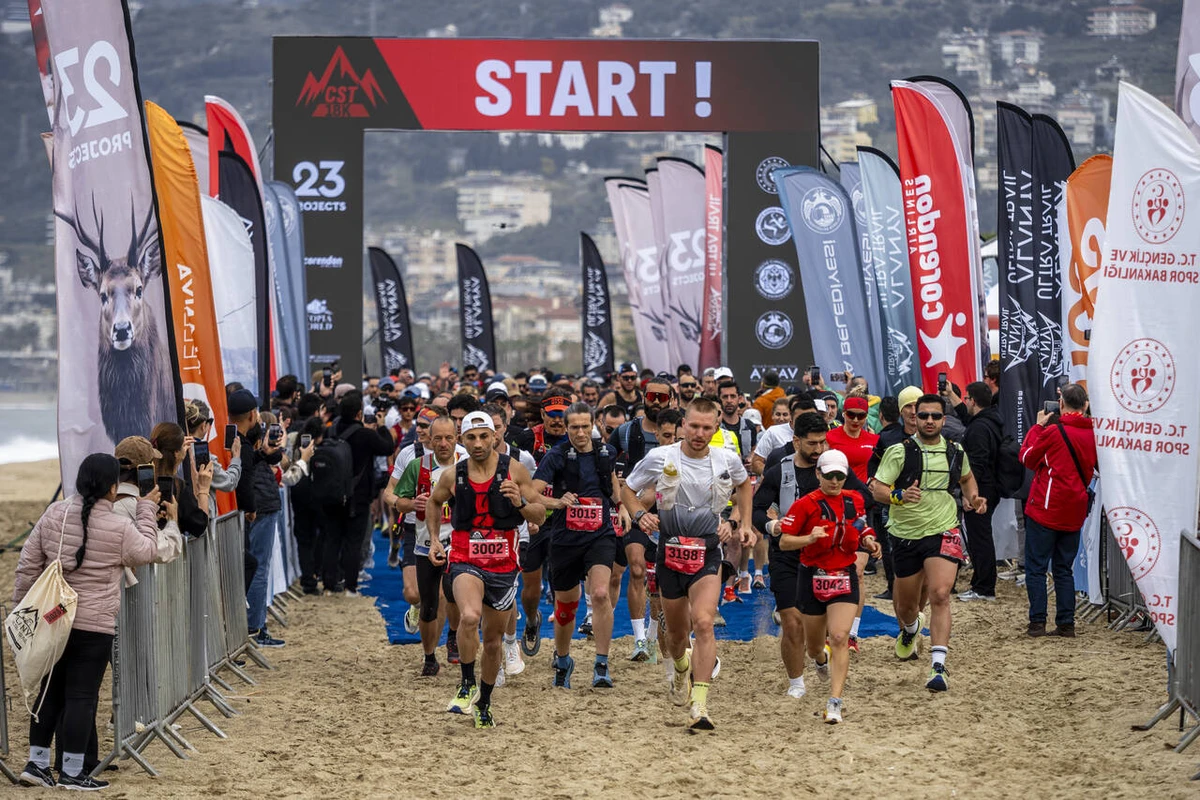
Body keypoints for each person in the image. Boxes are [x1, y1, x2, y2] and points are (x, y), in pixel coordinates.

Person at [14, 453, 164, 790]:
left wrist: (19, 610)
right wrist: (146, 509)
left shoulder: (55, 513)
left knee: (49, 692)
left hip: (54, 620)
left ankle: (36, 764)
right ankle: (71, 771)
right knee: (82, 697)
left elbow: (27, 565)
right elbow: (148, 552)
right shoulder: (118, 526)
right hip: (94, 625)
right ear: (113, 488)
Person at [621, 399, 753, 730]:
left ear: (717, 426)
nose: (699, 433)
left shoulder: (726, 458)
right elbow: (627, 489)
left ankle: (700, 705)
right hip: (670, 553)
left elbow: (745, 485)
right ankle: (681, 665)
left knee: (704, 622)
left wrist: (739, 522)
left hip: (708, 552)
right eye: (694, 426)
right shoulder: (660, 457)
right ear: (683, 424)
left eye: (707, 427)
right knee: (678, 637)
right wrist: (639, 514)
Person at [427, 412, 546, 729]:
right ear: (462, 441)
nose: (478, 443)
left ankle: (485, 701)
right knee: (468, 616)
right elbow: (434, 502)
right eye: (471, 438)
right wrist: (435, 541)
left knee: (492, 642)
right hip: (465, 555)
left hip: (504, 561)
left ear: (495, 437)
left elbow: (540, 513)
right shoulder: (455, 474)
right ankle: (466, 683)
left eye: (484, 436)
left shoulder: (514, 469)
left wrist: (519, 500)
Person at [870, 394, 986, 693]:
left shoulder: (955, 451)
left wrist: (973, 499)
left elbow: (967, 478)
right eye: (924, 416)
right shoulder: (899, 452)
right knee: (906, 607)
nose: (930, 421)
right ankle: (910, 630)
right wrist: (899, 496)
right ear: (914, 418)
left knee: (940, 593)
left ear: (944, 420)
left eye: (935, 416)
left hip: (944, 528)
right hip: (906, 533)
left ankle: (938, 665)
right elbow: (877, 489)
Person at [754, 413, 873, 697]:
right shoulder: (779, 470)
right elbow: (756, 508)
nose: (819, 449)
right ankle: (796, 683)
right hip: (789, 552)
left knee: (817, 634)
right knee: (792, 621)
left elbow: (864, 499)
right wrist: (771, 524)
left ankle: (819, 656)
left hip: (828, 555)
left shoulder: (835, 467)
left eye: (823, 442)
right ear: (796, 441)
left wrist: (852, 526)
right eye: (812, 444)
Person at [770, 449, 881, 723]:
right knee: (814, 647)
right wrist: (809, 538)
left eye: (839, 476)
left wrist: (869, 540)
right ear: (818, 474)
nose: (834, 481)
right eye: (829, 475)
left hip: (843, 574)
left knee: (840, 637)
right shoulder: (805, 505)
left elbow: (862, 526)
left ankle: (834, 702)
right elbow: (784, 542)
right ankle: (820, 660)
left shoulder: (854, 500)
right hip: (811, 577)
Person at [531, 402, 621, 689]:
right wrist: (556, 502)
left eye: (585, 426)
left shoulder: (606, 452)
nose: (580, 433)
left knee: (600, 594)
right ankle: (563, 658)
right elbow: (532, 492)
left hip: (600, 534)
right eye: (574, 427)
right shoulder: (556, 455)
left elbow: (614, 484)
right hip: (566, 539)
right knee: (566, 605)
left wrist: (623, 507)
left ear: (593, 424)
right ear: (566, 427)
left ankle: (601, 663)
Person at [1019, 383, 1096, 638]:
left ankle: (1037, 623)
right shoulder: (1094, 434)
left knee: (1037, 567)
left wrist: (1037, 426)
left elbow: (1028, 457)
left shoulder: (1053, 432)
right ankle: (1066, 624)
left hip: (1046, 507)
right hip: (1074, 510)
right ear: (1085, 406)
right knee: (1064, 568)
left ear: (1061, 405)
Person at [388, 415, 463, 674]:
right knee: (428, 603)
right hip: (425, 543)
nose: (443, 443)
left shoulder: (468, 465)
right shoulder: (418, 466)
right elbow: (396, 498)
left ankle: (455, 638)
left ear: (457, 438)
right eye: (438, 438)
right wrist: (412, 504)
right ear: (429, 440)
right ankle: (430, 656)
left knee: (455, 595)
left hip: (461, 544)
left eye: (449, 438)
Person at [322, 392, 395, 597]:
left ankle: (328, 585)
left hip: (332, 494)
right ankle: (350, 586)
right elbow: (387, 447)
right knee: (354, 541)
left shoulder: (332, 431)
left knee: (332, 539)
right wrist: (381, 426)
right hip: (358, 496)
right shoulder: (365, 434)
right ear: (360, 413)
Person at [823, 394, 880, 645]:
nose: (856, 420)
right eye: (850, 415)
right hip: (832, 508)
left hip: (860, 511)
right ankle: (830, 627)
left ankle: (853, 633)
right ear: (842, 414)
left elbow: (881, 469)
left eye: (861, 416)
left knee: (856, 572)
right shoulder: (831, 438)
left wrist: (874, 485)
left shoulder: (874, 441)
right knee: (831, 570)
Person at [867, 389, 920, 600]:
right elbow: (873, 462)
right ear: (900, 410)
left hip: (923, 504)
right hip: (891, 502)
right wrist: (872, 481)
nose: (913, 411)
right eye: (908, 406)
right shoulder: (888, 437)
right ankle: (893, 588)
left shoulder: (934, 435)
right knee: (891, 548)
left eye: (917, 405)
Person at [959, 382, 1003, 602]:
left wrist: (970, 495)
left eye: (967, 398)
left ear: (973, 401)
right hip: (990, 486)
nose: (965, 402)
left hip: (981, 490)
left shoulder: (978, 428)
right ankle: (982, 583)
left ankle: (984, 586)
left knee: (980, 538)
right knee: (980, 536)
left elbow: (976, 462)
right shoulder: (991, 421)